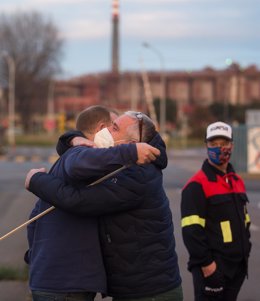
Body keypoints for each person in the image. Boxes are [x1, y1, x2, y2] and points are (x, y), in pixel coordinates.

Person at [25, 111, 183, 301]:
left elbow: (78, 201)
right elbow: (75, 154)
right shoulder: (119, 162)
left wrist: (36, 180)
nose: (106, 129)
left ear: (133, 145)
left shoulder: (138, 175)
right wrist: (74, 139)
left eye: (114, 128)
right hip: (131, 287)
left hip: (150, 291)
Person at [181, 121, 251, 301]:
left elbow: (245, 221)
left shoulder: (237, 181)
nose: (220, 148)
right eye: (214, 144)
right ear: (206, 146)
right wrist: (207, 265)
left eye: (224, 144)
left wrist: (246, 251)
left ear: (232, 146)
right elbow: (191, 232)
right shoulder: (196, 185)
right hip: (212, 270)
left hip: (237, 269)